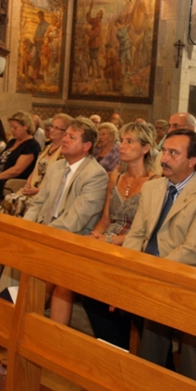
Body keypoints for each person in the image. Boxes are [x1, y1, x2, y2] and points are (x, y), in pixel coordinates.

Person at [124, 129, 196, 383]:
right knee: (99, 296)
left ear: (193, 161)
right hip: (147, 269)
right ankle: (136, 377)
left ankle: (178, 389)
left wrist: (150, 276)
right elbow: (136, 235)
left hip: (184, 277)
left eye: (173, 153)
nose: (164, 158)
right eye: (164, 151)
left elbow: (190, 251)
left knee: (159, 308)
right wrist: (127, 268)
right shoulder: (153, 187)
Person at [0, 117, 109, 295]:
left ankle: (6, 305)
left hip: (69, 238)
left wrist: (37, 234)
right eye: (65, 135)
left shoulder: (95, 175)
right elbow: (38, 203)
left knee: (20, 252)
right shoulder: (57, 167)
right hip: (42, 230)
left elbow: (75, 220)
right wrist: (25, 227)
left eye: (72, 137)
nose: (64, 139)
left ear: (86, 146)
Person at [63, 122, 158, 341]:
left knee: (102, 283)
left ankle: (119, 343)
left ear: (145, 148)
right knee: (78, 272)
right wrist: (94, 237)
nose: (122, 146)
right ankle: (104, 342)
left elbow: (145, 232)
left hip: (132, 245)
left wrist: (110, 241)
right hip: (108, 240)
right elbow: (105, 219)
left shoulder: (155, 182)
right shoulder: (115, 177)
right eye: (121, 141)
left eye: (129, 141)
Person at [0, 113, 73, 217]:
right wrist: (28, 185)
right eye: (52, 126)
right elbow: (35, 169)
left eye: (57, 128)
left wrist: (38, 190)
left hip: (45, 194)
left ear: (66, 132)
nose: (51, 130)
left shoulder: (65, 153)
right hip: (32, 189)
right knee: (10, 199)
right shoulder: (47, 148)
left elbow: (59, 180)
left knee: (15, 201)